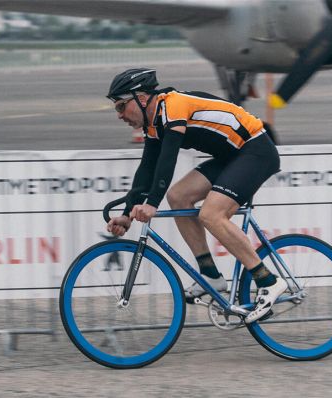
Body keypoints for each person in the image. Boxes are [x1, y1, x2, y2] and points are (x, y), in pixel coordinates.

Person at [104, 68, 284, 323]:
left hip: (255, 152)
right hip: (230, 158)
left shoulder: (174, 105)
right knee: (178, 197)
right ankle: (210, 274)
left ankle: (269, 280)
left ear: (142, 98)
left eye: (121, 106)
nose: (120, 115)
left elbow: (167, 161)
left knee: (211, 214)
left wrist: (152, 203)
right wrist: (127, 215)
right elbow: (147, 170)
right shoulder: (154, 124)